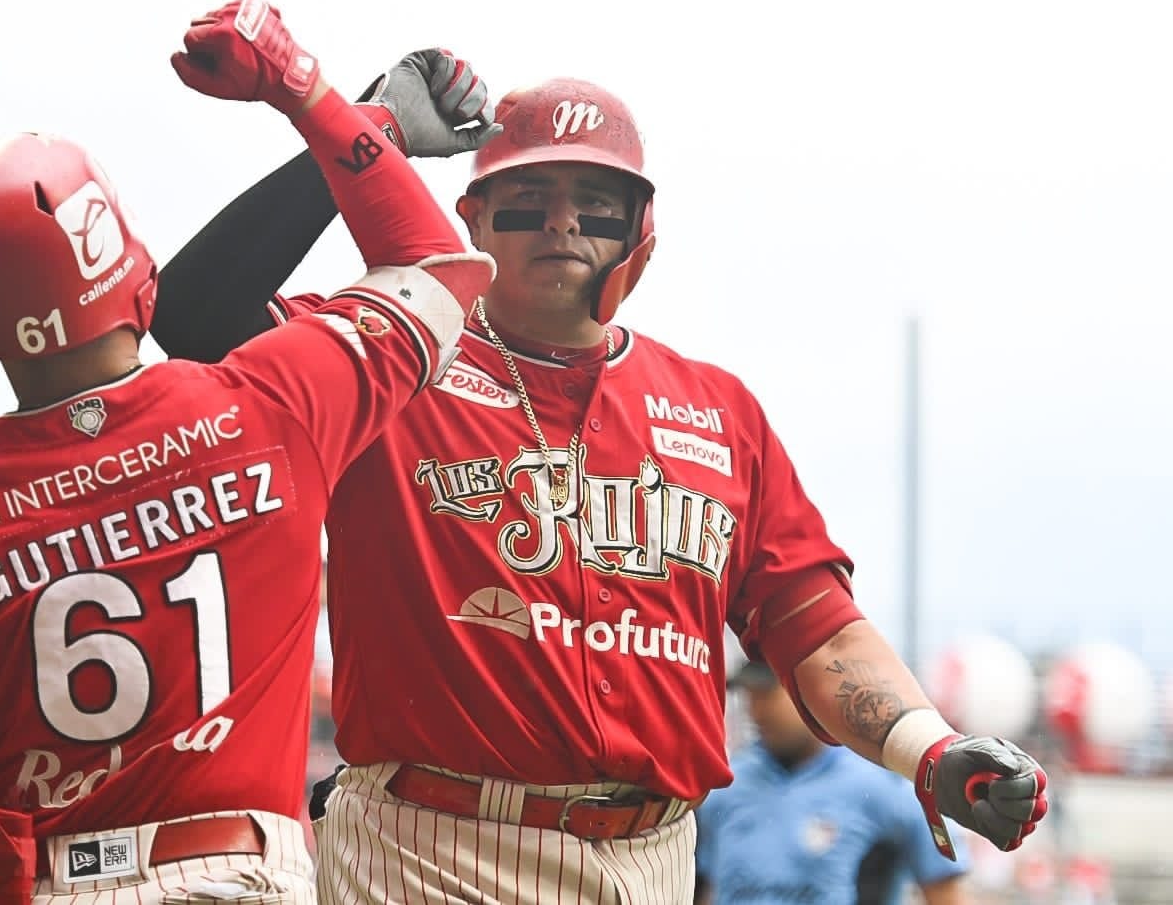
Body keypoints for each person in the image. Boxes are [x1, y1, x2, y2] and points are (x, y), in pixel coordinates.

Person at [150, 58, 1050, 904]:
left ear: (641, 225)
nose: (562, 221)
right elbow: (190, 309)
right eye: (528, 196)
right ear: (470, 219)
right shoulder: (394, 359)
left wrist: (929, 747)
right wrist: (362, 126)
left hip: (650, 856)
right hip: (427, 847)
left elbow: (812, 626)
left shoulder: (718, 409)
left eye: (597, 199)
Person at [0, 0, 494, 905]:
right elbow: (437, 268)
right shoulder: (273, 402)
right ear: (139, 272)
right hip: (243, 877)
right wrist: (315, 95)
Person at [696, 659, 972, 905]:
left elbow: (945, 893)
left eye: (767, 694)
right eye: (750, 696)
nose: (757, 711)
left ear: (807, 692)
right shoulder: (723, 785)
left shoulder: (882, 787)